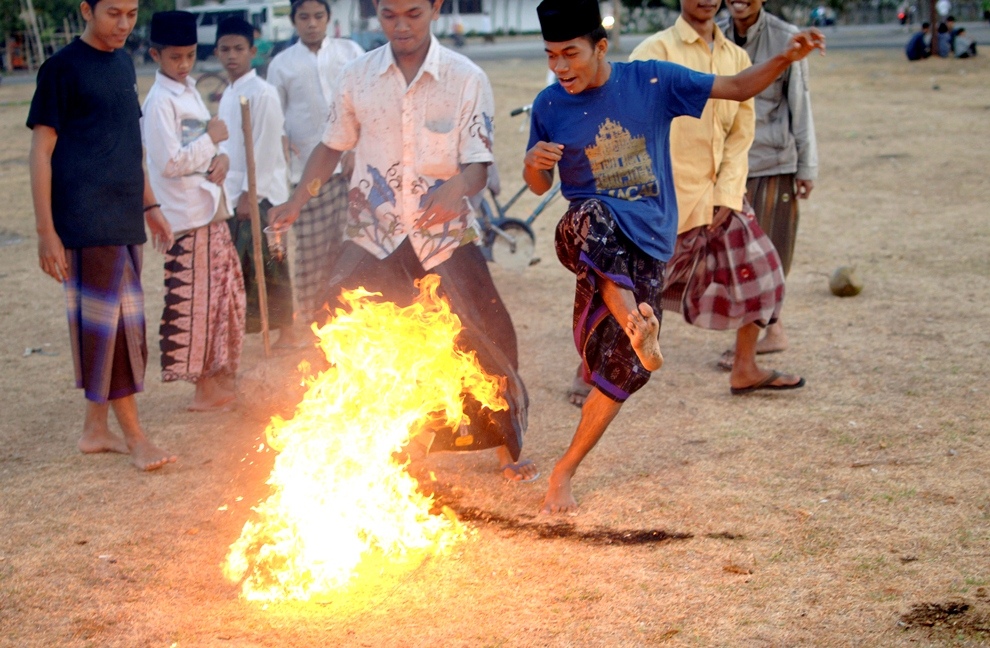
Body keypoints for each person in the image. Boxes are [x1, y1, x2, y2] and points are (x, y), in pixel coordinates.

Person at [526, 0, 823, 514]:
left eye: (569, 54)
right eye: (551, 56)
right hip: (588, 236)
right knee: (590, 214)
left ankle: (564, 469)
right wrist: (533, 163)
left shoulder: (652, 82)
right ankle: (636, 324)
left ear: (600, 47)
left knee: (621, 373)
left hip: (647, 246)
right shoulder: (549, 106)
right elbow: (537, 186)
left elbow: (733, 87)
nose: (560, 68)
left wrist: (783, 60)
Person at [269, 0, 537, 483]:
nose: (401, 25)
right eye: (390, 15)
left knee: (485, 333)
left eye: (413, 13)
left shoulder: (465, 77)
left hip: (444, 236)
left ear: (435, 7)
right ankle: (384, 446)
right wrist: (296, 200)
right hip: (375, 233)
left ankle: (506, 450)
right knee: (350, 327)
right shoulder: (357, 76)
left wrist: (455, 189)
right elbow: (331, 147)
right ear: (376, 10)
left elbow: (477, 165)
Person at [27, 0, 177, 470]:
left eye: (132, 13)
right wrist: (45, 231)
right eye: (113, 12)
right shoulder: (61, 69)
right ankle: (135, 438)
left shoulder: (123, 63)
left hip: (124, 217)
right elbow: (40, 151)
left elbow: (129, 142)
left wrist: (149, 204)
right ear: (86, 9)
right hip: (86, 220)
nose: (125, 24)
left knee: (110, 325)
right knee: (117, 327)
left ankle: (95, 430)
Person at [629, 0, 806, 394]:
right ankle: (588, 374)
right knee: (635, 296)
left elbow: (741, 136)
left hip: (721, 198)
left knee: (764, 276)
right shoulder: (653, 52)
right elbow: (632, 128)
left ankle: (745, 368)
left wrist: (728, 194)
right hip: (666, 205)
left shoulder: (737, 57)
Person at [142, 11, 247, 412]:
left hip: (210, 208)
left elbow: (205, 147)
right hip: (186, 216)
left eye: (189, 56)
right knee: (198, 302)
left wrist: (219, 157)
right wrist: (211, 141)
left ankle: (220, 377)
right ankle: (203, 388)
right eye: (175, 58)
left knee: (226, 295)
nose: (184, 64)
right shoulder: (158, 103)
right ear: (156, 55)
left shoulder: (187, 92)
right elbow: (169, 162)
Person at [720, 0, 818, 362]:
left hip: (772, 163)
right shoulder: (714, 33)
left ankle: (764, 336)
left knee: (771, 253)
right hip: (730, 165)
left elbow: (800, 104)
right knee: (734, 255)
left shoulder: (786, 38)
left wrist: (806, 167)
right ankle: (770, 331)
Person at [266, 0, 364, 327]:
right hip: (308, 176)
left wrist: (355, 149)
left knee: (348, 250)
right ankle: (313, 323)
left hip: (351, 172)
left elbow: (364, 106)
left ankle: (348, 324)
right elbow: (276, 118)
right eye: (304, 17)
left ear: (328, 18)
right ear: (294, 20)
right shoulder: (282, 64)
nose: (311, 23)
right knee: (310, 254)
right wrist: (283, 144)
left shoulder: (350, 53)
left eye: (318, 16)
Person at [215, 18, 297, 349]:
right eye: (225, 49)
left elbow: (264, 147)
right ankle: (253, 326)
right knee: (243, 262)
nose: (232, 56)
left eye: (239, 49)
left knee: (270, 261)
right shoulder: (228, 93)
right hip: (235, 191)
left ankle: (287, 330)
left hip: (262, 193)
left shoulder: (263, 93)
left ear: (252, 51)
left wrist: (252, 194)